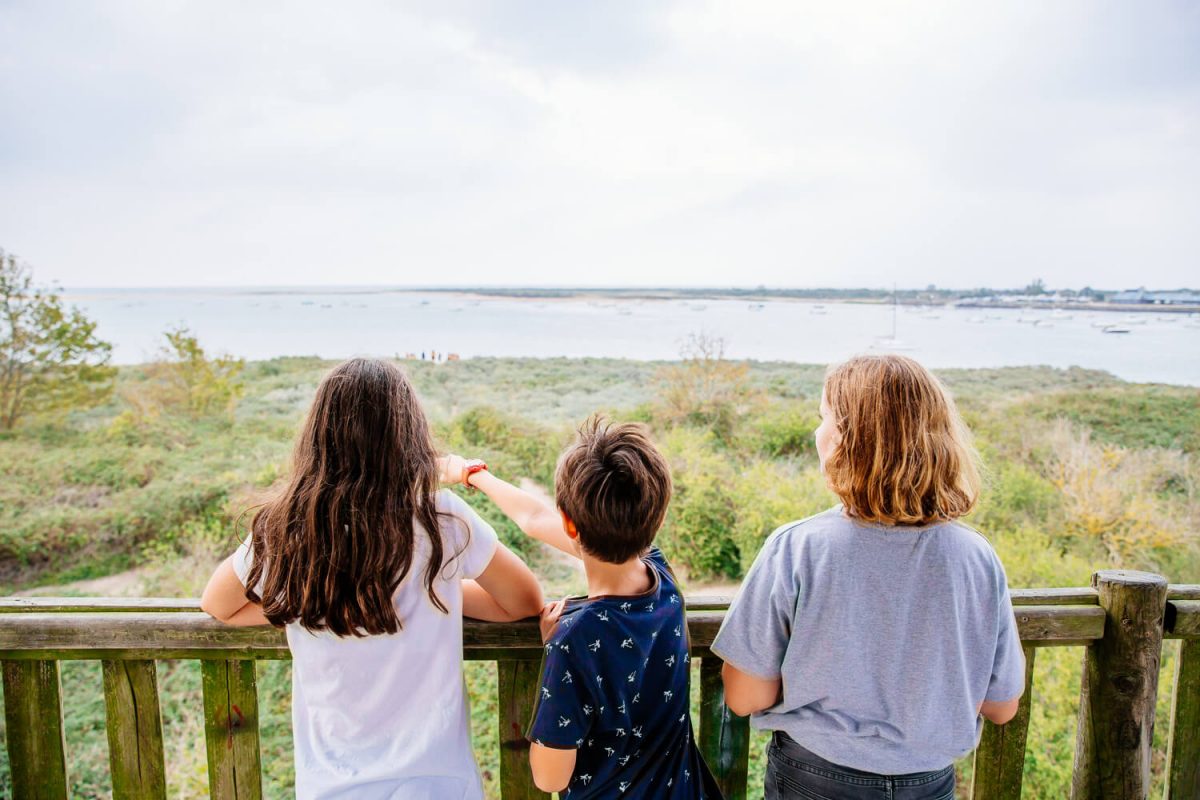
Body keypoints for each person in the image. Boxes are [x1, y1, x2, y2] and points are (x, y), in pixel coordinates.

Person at [200, 358, 544, 800]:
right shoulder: (439, 516)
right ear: (409, 435)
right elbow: (523, 600)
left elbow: (219, 605)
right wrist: (424, 588)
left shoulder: (286, 525)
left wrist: (320, 599)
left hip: (332, 785)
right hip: (436, 783)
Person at [712, 354, 1025, 800]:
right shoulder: (976, 557)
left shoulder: (798, 547)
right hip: (930, 783)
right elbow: (1001, 705)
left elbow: (744, 697)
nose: (815, 433)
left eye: (824, 420)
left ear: (847, 442)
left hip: (813, 779)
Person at [442, 417, 723, 799]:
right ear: (655, 517)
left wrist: (552, 657)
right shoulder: (664, 580)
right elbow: (535, 518)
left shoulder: (572, 640)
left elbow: (550, 778)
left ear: (570, 526)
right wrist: (473, 474)